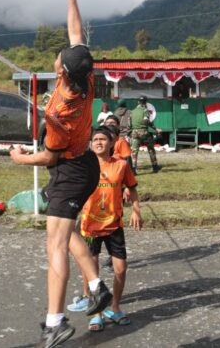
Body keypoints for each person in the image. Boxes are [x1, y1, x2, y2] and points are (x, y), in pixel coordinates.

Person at [9, 0, 111, 348]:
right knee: (66, 236)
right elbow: (76, 34)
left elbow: (49, 158)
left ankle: (55, 322)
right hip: (82, 165)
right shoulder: (86, 76)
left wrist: (20, 159)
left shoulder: (59, 112)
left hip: (69, 170)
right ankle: (97, 287)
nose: (60, 55)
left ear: (63, 72)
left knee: (54, 244)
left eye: (60, 57)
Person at [78, 127, 142, 332]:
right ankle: (96, 313)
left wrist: (136, 211)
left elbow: (132, 187)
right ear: (91, 143)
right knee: (92, 270)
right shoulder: (84, 165)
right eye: (95, 139)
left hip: (114, 225)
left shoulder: (121, 165)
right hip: (90, 226)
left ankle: (115, 307)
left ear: (111, 142)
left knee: (120, 269)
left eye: (103, 139)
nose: (99, 142)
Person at [130, 96, 161, 173]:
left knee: (134, 151)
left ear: (138, 102)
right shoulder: (145, 110)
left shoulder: (132, 111)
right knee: (151, 149)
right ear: (145, 103)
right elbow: (146, 121)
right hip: (144, 132)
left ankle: (133, 169)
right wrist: (156, 129)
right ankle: (155, 167)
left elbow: (129, 124)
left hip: (134, 132)